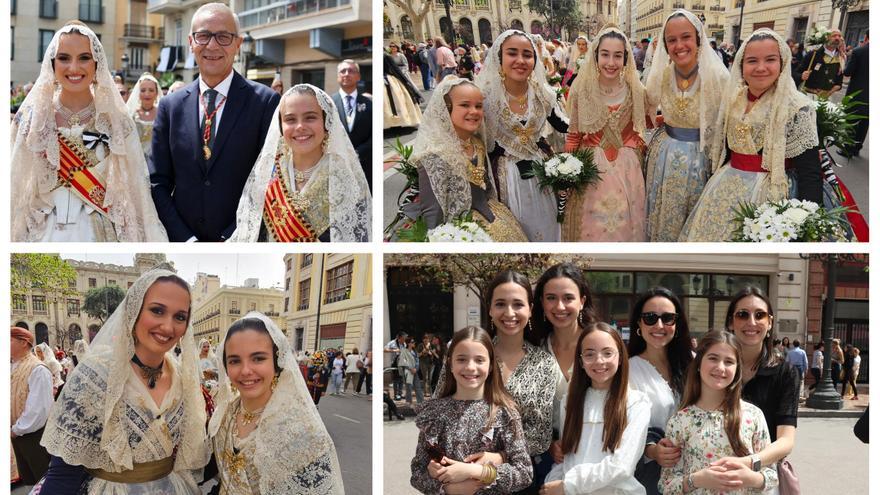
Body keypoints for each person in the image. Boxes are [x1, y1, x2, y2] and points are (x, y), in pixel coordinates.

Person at [36, 267, 209, 493]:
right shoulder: (95, 374)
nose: (168, 327)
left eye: (180, 317)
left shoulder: (183, 377)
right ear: (134, 312)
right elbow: (65, 470)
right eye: (157, 311)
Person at [11, 22, 167, 242]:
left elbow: (136, 192)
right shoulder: (31, 120)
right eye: (64, 58)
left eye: (84, 58)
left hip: (99, 231)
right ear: (52, 64)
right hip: (42, 231)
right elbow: (15, 186)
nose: (74, 67)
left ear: (97, 64)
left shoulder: (117, 122)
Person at [151, 3, 281, 242]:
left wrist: (232, 236)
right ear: (191, 42)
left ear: (238, 44)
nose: (212, 45)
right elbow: (157, 182)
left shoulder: (265, 102)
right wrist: (185, 239)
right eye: (203, 36)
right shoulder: (170, 106)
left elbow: (270, 181)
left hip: (242, 238)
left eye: (223, 37)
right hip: (181, 240)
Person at [681, 29, 823, 241]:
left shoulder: (798, 107)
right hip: (725, 188)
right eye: (752, 61)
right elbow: (726, 151)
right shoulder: (733, 99)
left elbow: (810, 170)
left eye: (770, 60)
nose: (760, 68)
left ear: (783, 63)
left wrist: (807, 221)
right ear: (741, 65)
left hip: (769, 195)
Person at [209, 313, 344, 493]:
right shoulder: (226, 414)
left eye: (258, 358)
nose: (246, 370)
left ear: (277, 361)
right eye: (235, 361)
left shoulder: (303, 431)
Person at [229, 84, 371, 242]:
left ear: (327, 122)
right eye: (290, 119)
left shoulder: (347, 182)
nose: (300, 127)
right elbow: (250, 235)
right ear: (281, 127)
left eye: (310, 117)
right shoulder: (266, 174)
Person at [401, 77, 528, 241]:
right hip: (459, 228)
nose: (474, 111)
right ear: (446, 109)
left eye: (479, 106)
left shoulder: (477, 144)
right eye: (465, 105)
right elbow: (433, 212)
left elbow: (486, 188)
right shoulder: (435, 155)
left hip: (493, 215)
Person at [410, 326, 532, 494]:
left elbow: (524, 472)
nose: (470, 367)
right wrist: (446, 487)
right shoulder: (434, 412)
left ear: (490, 366)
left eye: (479, 360)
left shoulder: (505, 412)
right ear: (450, 364)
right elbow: (417, 472)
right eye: (461, 359)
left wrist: (476, 472)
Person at [477, 30, 569, 242]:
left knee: (547, 230)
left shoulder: (543, 94)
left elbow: (563, 125)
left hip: (541, 175)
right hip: (503, 176)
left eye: (527, 54)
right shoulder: (484, 96)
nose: (520, 60)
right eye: (512, 53)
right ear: (500, 57)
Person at [644, 11, 729, 242]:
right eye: (672, 40)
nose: (679, 45)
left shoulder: (717, 77)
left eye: (686, 37)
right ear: (665, 45)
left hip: (701, 160)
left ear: (698, 39)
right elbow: (647, 111)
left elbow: (726, 125)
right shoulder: (660, 76)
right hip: (664, 158)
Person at [660, 331, 779, 494]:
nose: (720, 367)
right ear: (699, 363)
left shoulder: (753, 415)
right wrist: (698, 479)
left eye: (729, 361)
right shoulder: (680, 420)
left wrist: (750, 478)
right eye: (713, 358)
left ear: (737, 370)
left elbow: (772, 475)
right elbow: (666, 485)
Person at [563, 24, 651, 242]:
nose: (611, 63)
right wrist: (568, 175)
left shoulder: (636, 90)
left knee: (626, 225)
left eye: (617, 56)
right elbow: (573, 134)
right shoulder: (582, 90)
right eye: (605, 55)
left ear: (625, 59)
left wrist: (635, 144)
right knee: (592, 228)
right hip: (592, 168)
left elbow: (644, 125)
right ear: (596, 56)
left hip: (627, 169)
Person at [706, 286, 799, 489]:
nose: (752, 322)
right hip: (713, 472)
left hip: (762, 477)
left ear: (769, 322)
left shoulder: (785, 372)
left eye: (760, 315)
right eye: (742, 315)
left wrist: (750, 462)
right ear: (731, 322)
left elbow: (786, 440)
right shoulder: (714, 368)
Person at [541, 323, 650, 495]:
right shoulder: (570, 401)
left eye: (607, 353)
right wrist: (554, 483)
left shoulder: (637, 404)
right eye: (590, 354)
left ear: (620, 357)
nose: (599, 361)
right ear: (581, 361)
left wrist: (569, 486)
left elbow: (621, 467)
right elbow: (567, 458)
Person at [481, 270, 562, 492]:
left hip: (520, 478)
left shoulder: (543, 363)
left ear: (530, 309)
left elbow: (540, 436)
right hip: (468, 471)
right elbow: (442, 408)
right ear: (489, 308)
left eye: (518, 304)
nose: (509, 313)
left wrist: (500, 455)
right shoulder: (470, 356)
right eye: (500, 304)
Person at [626, 288, 694, 494]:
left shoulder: (694, 362)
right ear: (639, 323)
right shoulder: (627, 369)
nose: (659, 325)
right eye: (650, 318)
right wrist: (652, 450)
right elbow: (622, 424)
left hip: (697, 466)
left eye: (668, 318)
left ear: (677, 323)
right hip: (652, 472)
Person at [11, 327, 52, 486]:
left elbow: (38, 409)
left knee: (42, 481)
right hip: (17, 433)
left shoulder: (38, 369)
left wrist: (17, 429)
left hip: (34, 435)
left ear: (23, 343)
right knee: (29, 481)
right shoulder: (12, 366)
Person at [331, 60, 373, 190]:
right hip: (336, 167)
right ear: (338, 76)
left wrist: (357, 153)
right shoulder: (329, 103)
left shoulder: (369, 103)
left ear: (358, 77)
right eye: (343, 71)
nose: (346, 74)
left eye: (351, 71)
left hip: (364, 166)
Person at [841, 30, 868, 157]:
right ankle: (857, 148)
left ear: (866, 37)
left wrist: (843, 66)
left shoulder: (858, 51)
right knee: (864, 123)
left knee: (851, 122)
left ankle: (847, 149)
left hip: (856, 94)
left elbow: (848, 72)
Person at [126, 72, 163, 163]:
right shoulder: (131, 115)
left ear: (156, 93)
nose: (147, 94)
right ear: (138, 93)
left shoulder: (162, 114)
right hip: (135, 161)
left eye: (151, 90)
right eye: (143, 90)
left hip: (157, 162)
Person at [383, 52, 423, 133]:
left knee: (394, 101)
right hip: (387, 80)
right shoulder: (385, 55)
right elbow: (395, 69)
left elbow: (395, 69)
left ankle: (397, 122)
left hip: (389, 80)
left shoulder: (386, 56)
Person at [798, 28, 845, 97]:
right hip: (809, 95)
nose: (837, 38)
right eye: (834, 36)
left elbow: (839, 82)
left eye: (839, 36)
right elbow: (797, 72)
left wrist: (829, 93)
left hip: (827, 97)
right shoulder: (813, 54)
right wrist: (802, 76)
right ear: (826, 38)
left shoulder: (841, 57)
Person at [385, 332, 408, 400]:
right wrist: (394, 350)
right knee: (396, 380)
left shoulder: (404, 344)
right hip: (395, 363)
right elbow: (384, 349)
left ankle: (400, 394)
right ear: (399, 338)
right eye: (403, 339)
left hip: (402, 363)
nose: (404, 340)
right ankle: (396, 395)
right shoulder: (392, 343)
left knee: (401, 380)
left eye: (404, 339)